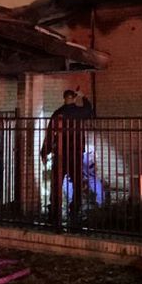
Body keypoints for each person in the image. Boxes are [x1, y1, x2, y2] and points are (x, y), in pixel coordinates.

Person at [41, 89, 95, 225]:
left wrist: (45, 152)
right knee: (77, 182)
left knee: (56, 182)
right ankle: (75, 209)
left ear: (64, 98)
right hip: (75, 153)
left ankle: (54, 208)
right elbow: (89, 110)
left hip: (60, 153)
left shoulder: (58, 113)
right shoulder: (79, 112)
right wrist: (84, 97)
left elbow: (50, 133)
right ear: (74, 98)